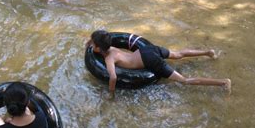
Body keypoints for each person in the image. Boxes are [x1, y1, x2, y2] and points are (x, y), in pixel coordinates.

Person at [86, 30, 231, 97]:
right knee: (178, 54)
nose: (91, 45)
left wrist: (111, 93)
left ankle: (223, 82)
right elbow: (100, 40)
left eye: (93, 44)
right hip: (147, 50)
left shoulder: (109, 58)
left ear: (98, 48)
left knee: (184, 81)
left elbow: (113, 77)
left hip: (150, 61)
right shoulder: (112, 47)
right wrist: (91, 43)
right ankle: (208, 52)